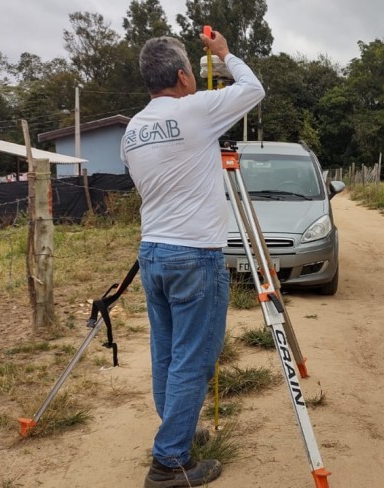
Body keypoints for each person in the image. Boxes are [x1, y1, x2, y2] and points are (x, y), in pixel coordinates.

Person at [120, 29, 265, 488]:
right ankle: (169, 463)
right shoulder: (195, 110)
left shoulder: (133, 130)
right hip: (194, 255)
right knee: (194, 360)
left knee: (166, 353)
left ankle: (176, 432)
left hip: (154, 253)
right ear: (184, 76)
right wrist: (224, 55)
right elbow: (254, 90)